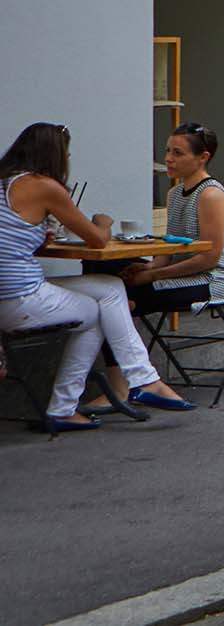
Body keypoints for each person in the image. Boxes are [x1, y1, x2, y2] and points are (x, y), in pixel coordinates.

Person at [0, 123, 197, 433]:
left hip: (9, 296)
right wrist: (102, 221)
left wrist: (40, 235)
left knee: (109, 288)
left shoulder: (6, 184)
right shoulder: (44, 186)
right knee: (99, 308)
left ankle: (138, 380)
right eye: (65, 153)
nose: (67, 158)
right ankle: (127, 385)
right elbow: (98, 240)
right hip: (18, 299)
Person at [103, 124, 224, 318]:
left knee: (118, 293)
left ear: (203, 157)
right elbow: (170, 248)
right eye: (168, 151)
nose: (168, 159)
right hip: (179, 272)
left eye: (178, 153)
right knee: (105, 269)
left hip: (214, 279)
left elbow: (210, 257)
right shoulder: (175, 193)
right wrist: (148, 267)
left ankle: (123, 342)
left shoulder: (211, 195)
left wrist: (152, 275)